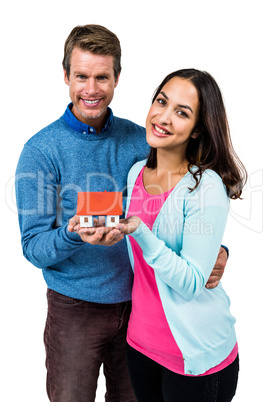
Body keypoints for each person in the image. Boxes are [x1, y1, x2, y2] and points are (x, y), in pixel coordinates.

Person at [15, 24, 228, 402]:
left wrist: (218, 250)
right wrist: (70, 234)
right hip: (74, 309)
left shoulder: (141, 139)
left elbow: (182, 202)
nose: (91, 89)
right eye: (81, 76)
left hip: (142, 308)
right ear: (66, 76)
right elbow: (33, 247)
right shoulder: (40, 151)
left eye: (102, 77)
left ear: (117, 79)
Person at [112, 69, 247, 401]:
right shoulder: (136, 173)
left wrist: (140, 232)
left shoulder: (206, 186)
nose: (164, 117)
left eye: (181, 112)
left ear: (198, 128)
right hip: (140, 344)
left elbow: (191, 283)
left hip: (195, 354)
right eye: (161, 101)